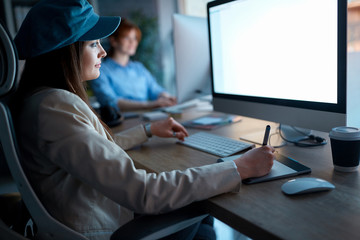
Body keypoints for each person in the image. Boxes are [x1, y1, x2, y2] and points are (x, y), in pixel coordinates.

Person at [12, 0, 275, 239]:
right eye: (93, 44)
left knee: (202, 220)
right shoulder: (56, 106)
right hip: (100, 230)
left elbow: (95, 150)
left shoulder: (39, 100)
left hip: (82, 217)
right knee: (203, 208)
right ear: (64, 52)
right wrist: (239, 168)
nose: (102, 52)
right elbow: (145, 192)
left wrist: (147, 130)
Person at [89, 19, 176, 111]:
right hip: (123, 121)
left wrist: (167, 97)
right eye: (127, 38)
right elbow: (111, 102)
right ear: (113, 41)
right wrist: (150, 105)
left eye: (134, 38)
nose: (132, 42)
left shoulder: (138, 67)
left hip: (147, 116)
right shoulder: (101, 70)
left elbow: (155, 89)